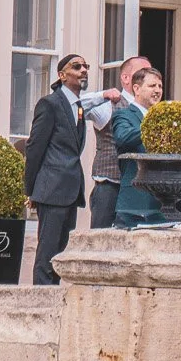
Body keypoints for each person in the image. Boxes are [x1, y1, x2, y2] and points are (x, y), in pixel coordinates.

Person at [24, 53, 114, 286]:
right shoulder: (50, 104)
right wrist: (31, 190)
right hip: (51, 188)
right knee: (48, 250)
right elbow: (34, 147)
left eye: (86, 66)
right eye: (77, 66)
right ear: (62, 75)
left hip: (71, 189)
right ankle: (42, 297)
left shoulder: (78, 107)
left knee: (61, 252)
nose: (83, 70)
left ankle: (54, 295)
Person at [88, 56, 148, 229]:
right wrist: (101, 95)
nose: (147, 76)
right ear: (126, 78)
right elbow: (74, 106)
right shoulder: (109, 105)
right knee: (101, 237)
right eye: (142, 72)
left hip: (138, 186)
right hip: (109, 185)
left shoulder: (151, 109)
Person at [110, 68, 168, 228]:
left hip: (163, 202)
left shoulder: (164, 118)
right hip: (135, 202)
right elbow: (123, 137)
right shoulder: (124, 114)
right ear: (136, 88)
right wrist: (153, 125)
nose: (158, 90)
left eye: (160, 86)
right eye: (152, 86)